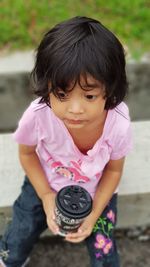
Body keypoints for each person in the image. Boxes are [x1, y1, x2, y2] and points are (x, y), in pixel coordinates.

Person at [0, 16, 133, 267]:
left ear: (110, 89)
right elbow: (28, 154)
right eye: (61, 94)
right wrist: (46, 195)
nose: (74, 109)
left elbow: (114, 170)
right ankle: (11, 258)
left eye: (89, 95)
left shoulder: (119, 124)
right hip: (47, 178)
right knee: (21, 228)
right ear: (46, 86)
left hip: (96, 190)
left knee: (105, 250)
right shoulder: (39, 115)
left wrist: (93, 215)